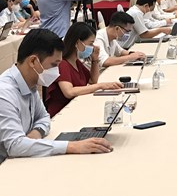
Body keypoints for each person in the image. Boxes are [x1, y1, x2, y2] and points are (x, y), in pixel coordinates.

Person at [0, 29, 113, 163]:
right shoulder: (4, 93)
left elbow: (44, 117)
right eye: (54, 65)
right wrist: (72, 146)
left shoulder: (30, 82)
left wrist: (37, 132)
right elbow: (14, 145)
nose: (57, 72)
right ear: (33, 61)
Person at [45, 23, 123, 117]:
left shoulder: (76, 62)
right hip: (61, 113)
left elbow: (93, 80)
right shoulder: (63, 64)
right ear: (77, 42)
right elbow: (69, 92)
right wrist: (101, 86)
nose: (93, 47)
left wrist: (95, 59)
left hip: (74, 108)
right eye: (90, 43)